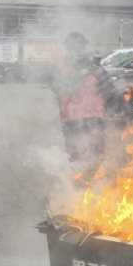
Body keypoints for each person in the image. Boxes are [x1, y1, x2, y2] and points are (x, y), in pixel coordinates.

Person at [49, 32, 114, 183]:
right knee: (76, 156)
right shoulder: (59, 65)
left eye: (82, 45)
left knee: (98, 155)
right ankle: (79, 189)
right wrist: (81, 74)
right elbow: (57, 87)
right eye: (76, 45)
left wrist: (101, 76)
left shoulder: (94, 63)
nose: (80, 49)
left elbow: (109, 88)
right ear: (67, 47)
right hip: (71, 119)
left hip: (95, 117)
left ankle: (90, 185)